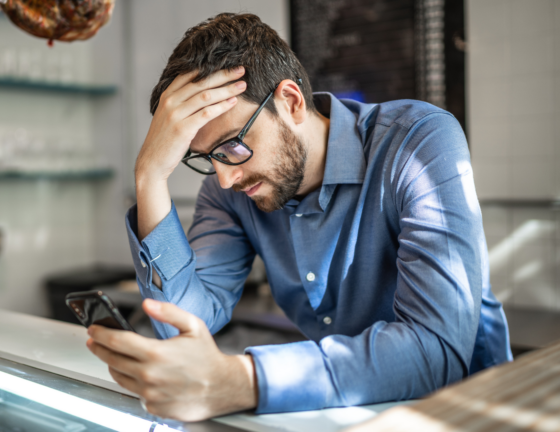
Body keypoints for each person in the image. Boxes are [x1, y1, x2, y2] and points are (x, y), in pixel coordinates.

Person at [85, 12, 512, 421]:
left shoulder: (418, 142)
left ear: (290, 102)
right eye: (206, 158)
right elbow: (182, 324)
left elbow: (436, 350)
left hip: (472, 413)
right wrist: (150, 176)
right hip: (349, 416)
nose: (226, 177)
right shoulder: (228, 190)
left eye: (233, 146)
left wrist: (241, 381)